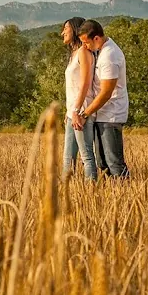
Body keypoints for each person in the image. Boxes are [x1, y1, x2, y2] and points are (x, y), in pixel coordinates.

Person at [77, 19, 131, 179]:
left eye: (86, 42)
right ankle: (112, 195)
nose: (84, 47)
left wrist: (85, 114)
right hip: (103, 115)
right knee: (102, 162)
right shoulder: (103, 50)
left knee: (114, 162)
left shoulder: (110, 56)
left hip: (111, 115)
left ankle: (124, 192)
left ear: (96, 38)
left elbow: (106, 93)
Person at [60, 17, 98, 181]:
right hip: (72, 112)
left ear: (75, 30)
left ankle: (92, 192)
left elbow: (85, 84)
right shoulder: (74, 54)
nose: (63, 32)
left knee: (86, 155)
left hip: (81, 112)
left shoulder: (83, 52)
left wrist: (76, 111)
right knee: (68, 159)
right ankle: (66, 193)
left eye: (66, 28)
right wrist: (69, 111)